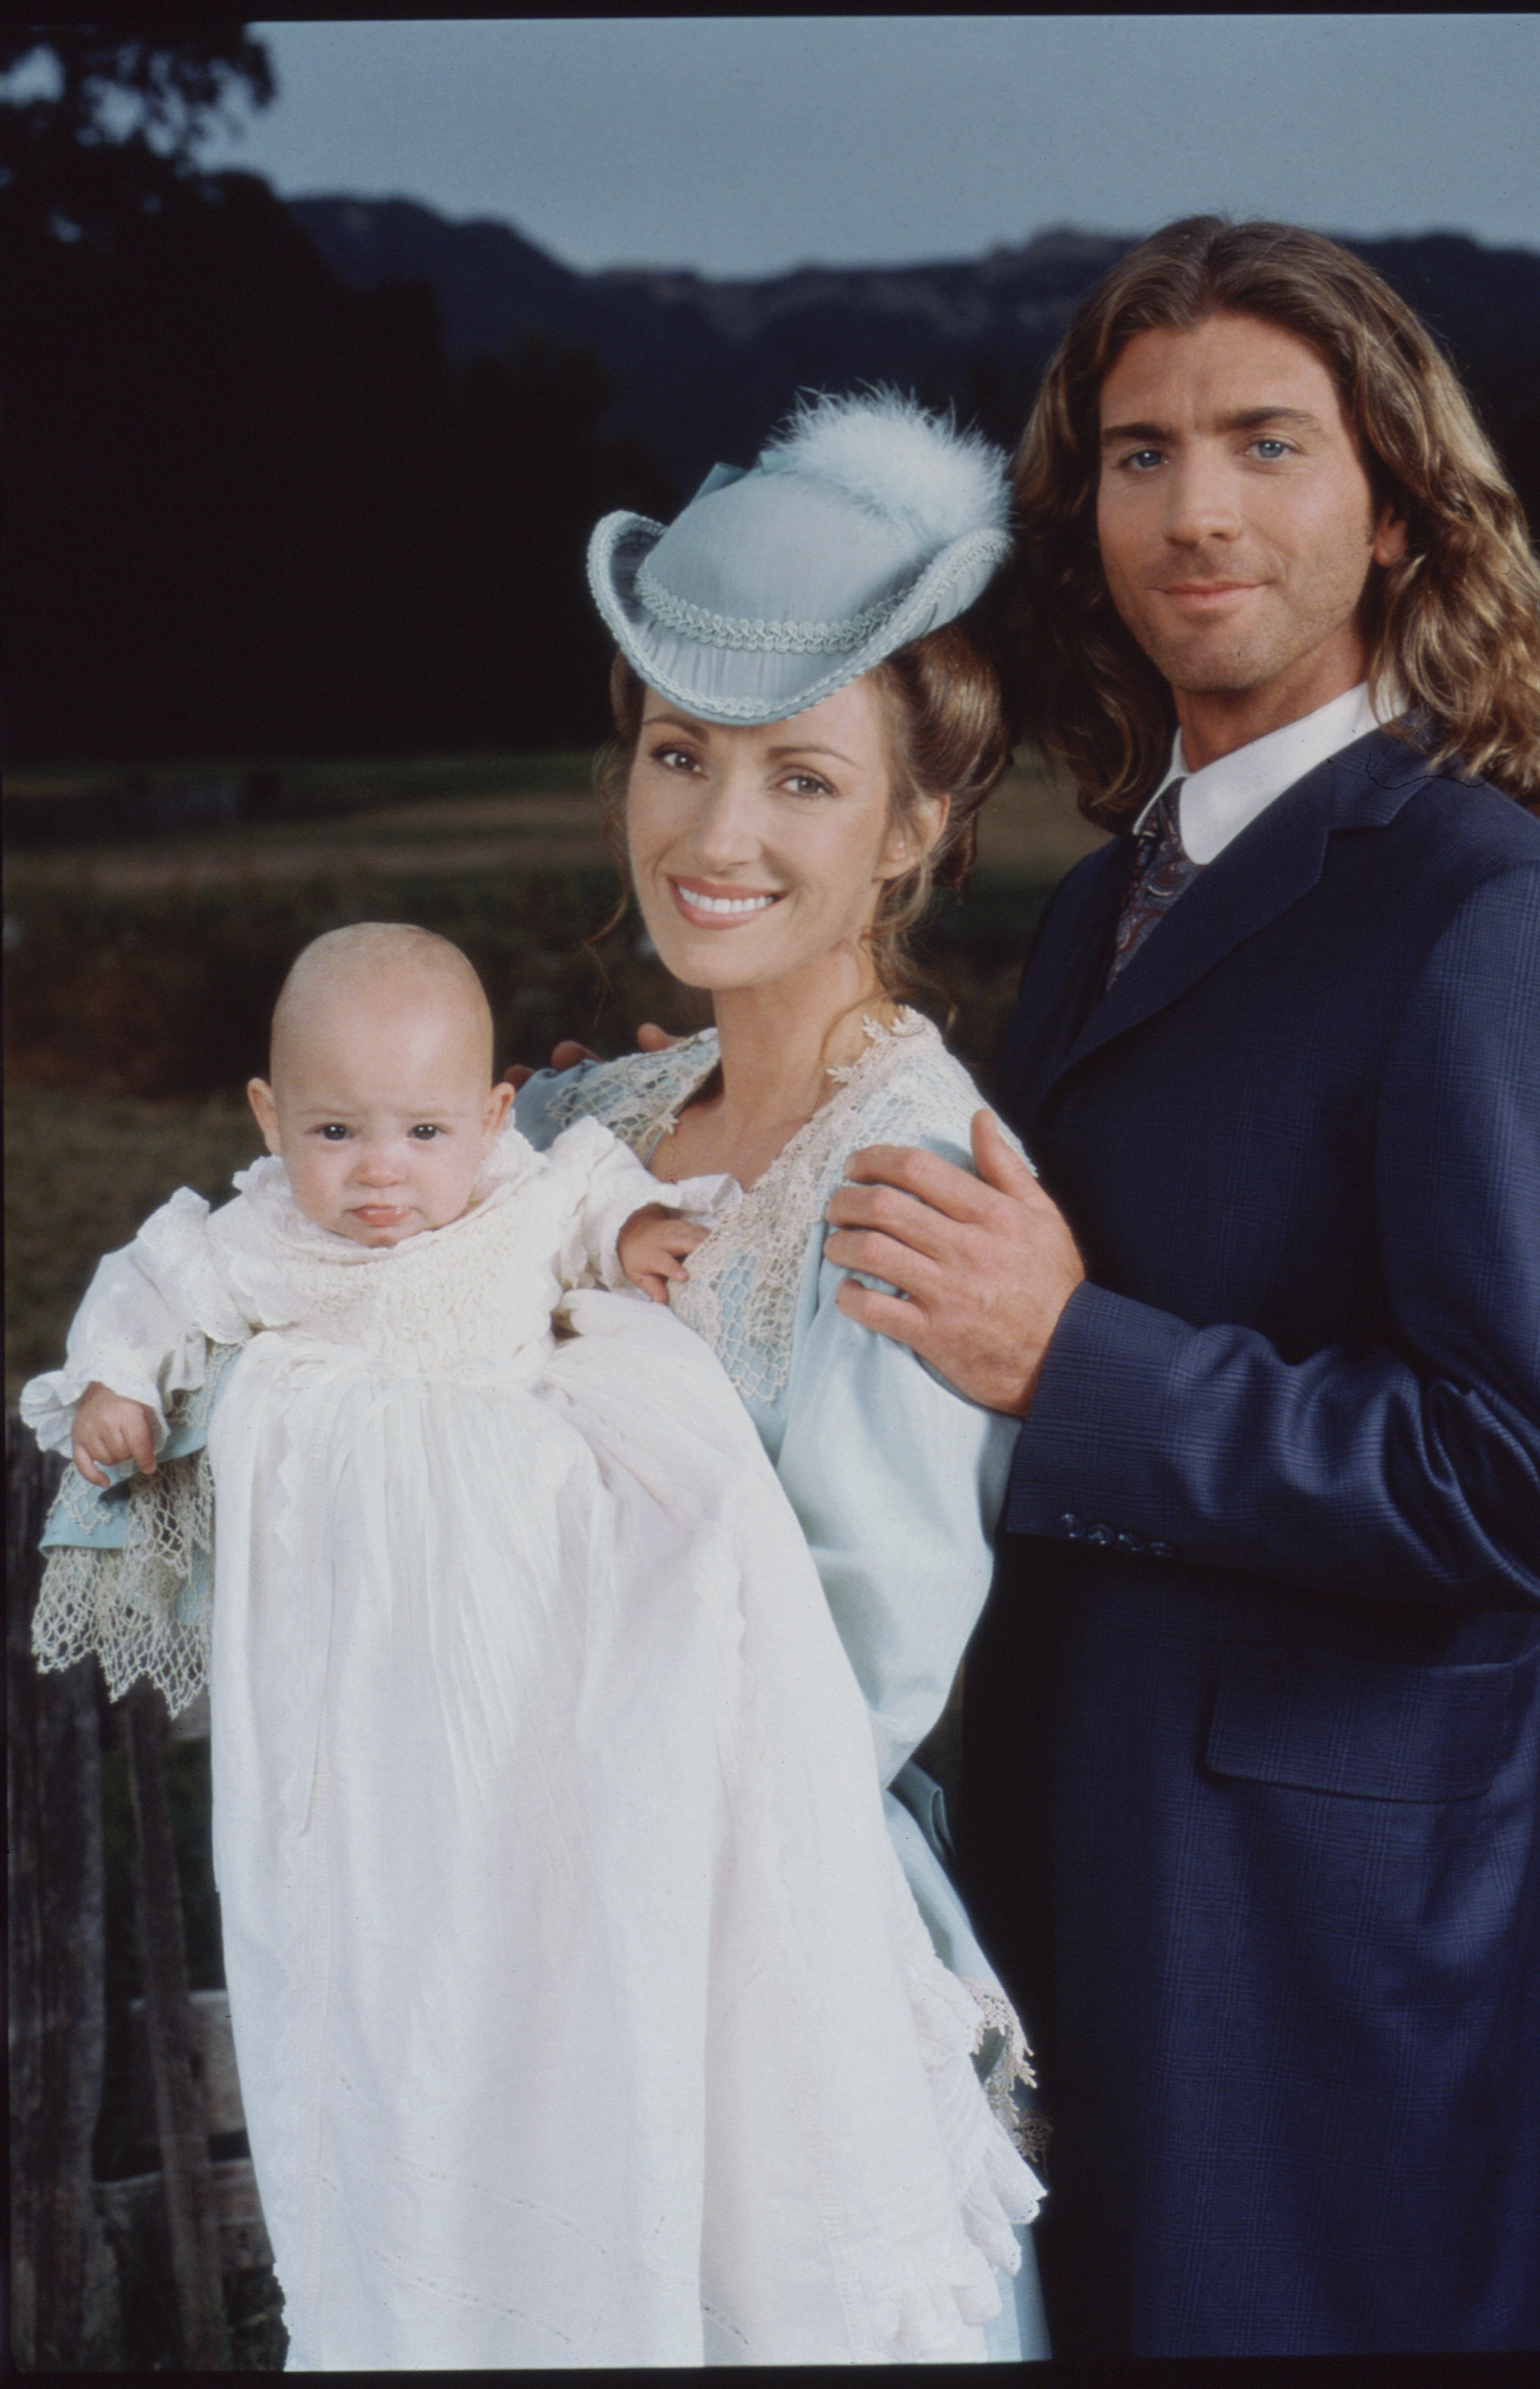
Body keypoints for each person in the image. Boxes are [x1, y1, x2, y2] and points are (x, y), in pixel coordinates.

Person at [819, 218, 1540, 2357]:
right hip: (1071, 1866)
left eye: (1265, 443)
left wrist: (1071, 1362)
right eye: (1134, 450)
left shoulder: (1487, 913)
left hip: (1312, 1941)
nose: (1191, 505)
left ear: (1392, 512)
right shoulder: (1101, 900)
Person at [23, 921, 1041, 2369]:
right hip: (399, 1628)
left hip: (539, 1555)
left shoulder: (521, 1182)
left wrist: (631, 1236)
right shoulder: (253, 1231)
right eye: (333, 1129)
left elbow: (595, 1200)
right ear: (266, 1118)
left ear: (493, 1116)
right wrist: (117, 1386)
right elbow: (150, 1288)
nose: (382, 1171)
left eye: (424, 1128)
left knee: (678, 1533)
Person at [508, 388, 1052, 2359]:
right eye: (676, 754)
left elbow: (847, 1675)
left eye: (800, 779)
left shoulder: (908, 1177)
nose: (713, 832)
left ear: (917, 820)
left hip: (751, 1977)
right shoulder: (581, 1116)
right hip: (533, 1940)